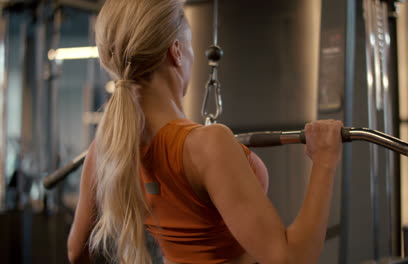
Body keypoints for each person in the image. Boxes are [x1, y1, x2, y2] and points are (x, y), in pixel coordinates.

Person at [66, 0, 343, 263]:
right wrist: (325, 160)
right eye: (190, 46)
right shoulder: (207, 145)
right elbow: (291, 259)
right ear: (176, 51)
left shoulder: (104, 151)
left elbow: (77, 252)